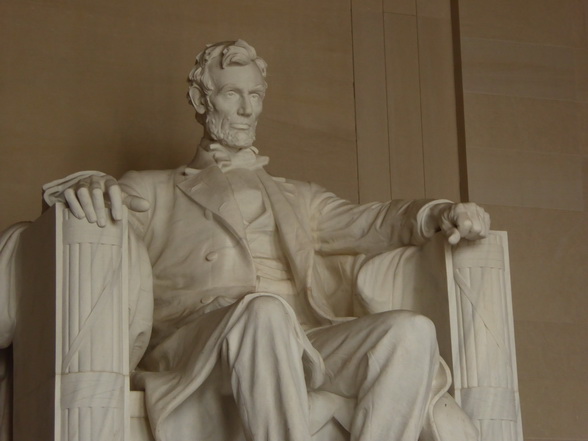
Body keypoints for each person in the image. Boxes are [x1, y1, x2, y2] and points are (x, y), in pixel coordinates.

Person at [44, 40, 489, 441]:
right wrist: (90, 186)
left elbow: (373, 221)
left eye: (255, 95)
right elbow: (91, 201)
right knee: (264, 310)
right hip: (200, 344)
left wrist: (438, 213)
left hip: (301, 340)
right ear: (202, 99)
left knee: (410, 331)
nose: (246, 109)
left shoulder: (299, 196)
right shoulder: (155, 188)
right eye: (232, 93)